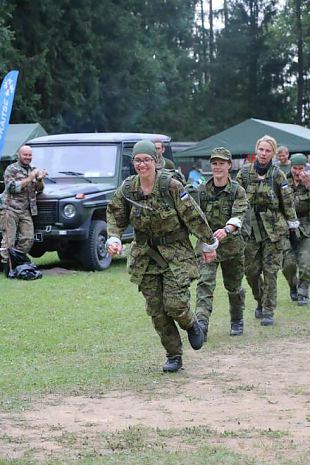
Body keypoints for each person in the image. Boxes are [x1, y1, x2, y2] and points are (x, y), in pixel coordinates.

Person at [106, 140, 218, 373]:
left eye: (146, 160)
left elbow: (193, 217)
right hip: (145, 256)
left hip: (175, 255)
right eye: (137, 160)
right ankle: (174, 355)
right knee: (157, 310)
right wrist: (114, 238)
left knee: (175, 305)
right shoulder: (128, 189)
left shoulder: (171, 186)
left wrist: (209, 243)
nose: (142, 164)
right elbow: (115, 215)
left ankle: (191, 323)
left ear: (155, 161)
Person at [236, 135, 299, 326]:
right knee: (251, 272)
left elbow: (287, 203)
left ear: (273, 153)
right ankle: (260, 301)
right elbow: (236, 197)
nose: (263, 154)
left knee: (270, 271)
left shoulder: (278, 174)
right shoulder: (245, 173)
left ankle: (268, 310)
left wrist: (293, 226)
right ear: (256, 151)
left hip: (274, 230)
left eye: (267, 150)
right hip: (251, 230)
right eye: (261, 150)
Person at [195, 148, 248, 338]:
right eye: (214, 163)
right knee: (205, 284)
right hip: (207, 247)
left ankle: (237, 319)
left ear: (229, 166)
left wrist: (227, 229)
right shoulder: (201, 191)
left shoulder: (237, 190)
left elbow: (239, 214)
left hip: (232, 247)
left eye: (221, 163)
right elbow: (194, 217)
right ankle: (201, 325)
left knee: (233, 287)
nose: (218, 167)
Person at [1, 145, 48, 265]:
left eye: (30, 155)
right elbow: (11, 188)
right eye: (25, 155)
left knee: (28, 239)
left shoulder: (33, 169)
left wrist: (39, 179)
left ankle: (16, 262)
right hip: (9, 209)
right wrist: (30, 178)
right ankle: (7, 267)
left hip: (25, 210)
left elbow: (40, 189)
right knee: (8, 240)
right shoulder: (11, 169)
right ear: (19, 155)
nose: (28, 157)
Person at [282, 153, 310, 306]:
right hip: (286, 230)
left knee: (306, 263)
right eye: (295, 168)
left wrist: (308, 186)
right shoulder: (282, 181)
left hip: (306, 229)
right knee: (288, 265)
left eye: (301, 168)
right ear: (290, 167)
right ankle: (293, 286)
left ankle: (303, 291)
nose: (298, 172)